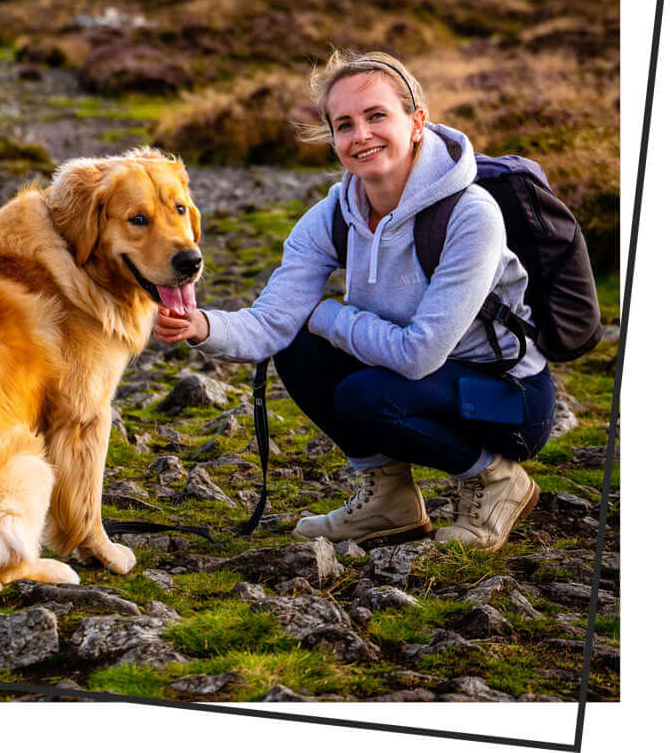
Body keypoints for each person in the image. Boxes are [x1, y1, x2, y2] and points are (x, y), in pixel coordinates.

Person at [153, 49, 556, 552]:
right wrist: (201, 326)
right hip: (422, 380)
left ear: (416, 123)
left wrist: (324, 312)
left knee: (365, 394)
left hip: (509, 402)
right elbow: (274, 323)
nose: (360, 135)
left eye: (376, 116)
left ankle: (497, 480)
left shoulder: (470, 214)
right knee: (298, 348)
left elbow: (418, 354)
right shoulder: (332, 216)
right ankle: (389, 500)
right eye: (344, 124)